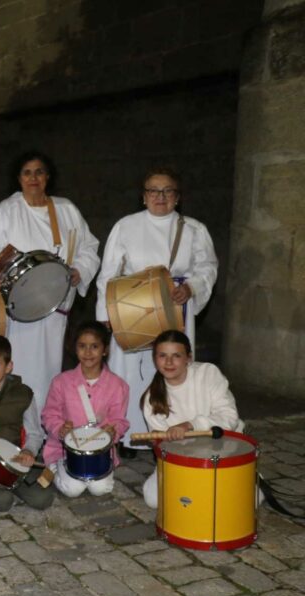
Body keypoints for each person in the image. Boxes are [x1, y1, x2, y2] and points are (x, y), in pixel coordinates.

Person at [96, 168, 218, 457]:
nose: (160, 197)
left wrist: (191, 287)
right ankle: (125, 436)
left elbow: (207, 267)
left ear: (177, 197)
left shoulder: (193, 229)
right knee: (129, 371)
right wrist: (106, 313)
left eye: (167, 191)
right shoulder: (126, 226)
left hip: (173, 307)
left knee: (170, 368)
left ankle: (168, 436)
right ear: (143, 196)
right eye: (153, 191)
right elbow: (108, 273)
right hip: (131, 309)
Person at [0, 152, 100, 412]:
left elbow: (89, 246)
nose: (33, 178)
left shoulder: (66, 209)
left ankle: (47, 425)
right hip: (19, 310)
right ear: (18, 178)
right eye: (27, 172)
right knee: (18, 365)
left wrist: (80, 269)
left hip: (53, 307)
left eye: (39, 172)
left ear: (47, 177)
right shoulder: (7, 211)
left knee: (49, 368)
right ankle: (16, 426)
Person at [140, 330, 243, 509]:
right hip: (182, 458)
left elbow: (229, 417)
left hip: (222, 449)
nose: (169, 362)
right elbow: (165, 447)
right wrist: (163, 441)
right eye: (162, 355)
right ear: (155, 359)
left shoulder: (208, 373)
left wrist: (190, 425)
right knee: (154, 499)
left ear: (188, 358)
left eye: (176, 356)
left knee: (231, 503)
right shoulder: (152, 398)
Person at [0, 335, 54, 512]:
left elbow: (34, 432)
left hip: (15, 460)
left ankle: (14, 483)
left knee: (42, 499)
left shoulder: (24, 394)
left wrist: (29, 451)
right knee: (2, 502)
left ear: (9, 367)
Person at [41, 321, 130, 498]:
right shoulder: (61, 382)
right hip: (66, 450)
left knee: (100, 489)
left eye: (94, 346)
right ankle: (55, 466)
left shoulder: (118, 385)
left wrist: (114, 431)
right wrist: (60, 428)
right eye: (82, 346)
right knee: (73, 490)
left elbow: (119, 420)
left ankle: (87, 476)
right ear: (75, 349)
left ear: (105, 350)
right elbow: (49, 414)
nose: (88, 352)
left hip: (99, 453)